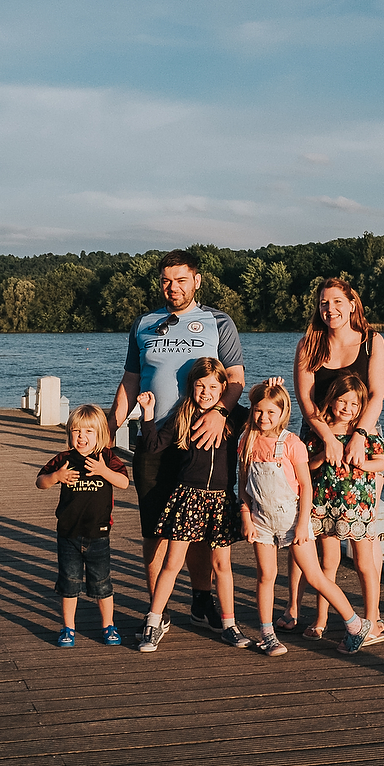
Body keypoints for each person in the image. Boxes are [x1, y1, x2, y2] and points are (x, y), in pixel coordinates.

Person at [110, 249, 244, 629]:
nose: (173, 288)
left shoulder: (219, 321)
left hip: (200, 437)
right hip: (152, 437)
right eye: (167, 281)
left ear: (197, 280)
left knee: (199, 527)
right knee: (154, 528)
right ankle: (159, 611)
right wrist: (109, 428)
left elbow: (235, 377)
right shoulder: (144, 323)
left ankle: (202, 600)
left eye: (182, 280)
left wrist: (220, 414)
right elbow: (131, 380)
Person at [282, 276, 384, 631]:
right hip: (315, 440)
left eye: (338, 302)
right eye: (324, 303)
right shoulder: (309, 344)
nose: (331, 309)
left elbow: (376, 395)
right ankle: (294, 607)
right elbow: (306, 401)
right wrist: (327, 438)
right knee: (306, 526)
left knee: (362, 535)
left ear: (352, 304)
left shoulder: (372, 342)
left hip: (362, 442)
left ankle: (371, 619)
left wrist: (358, 435)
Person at [238, 379, 374, 656]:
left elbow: (306, 485)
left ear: (282, 413)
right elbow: (242, 484)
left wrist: (303, 524)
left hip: (292, 520)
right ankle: (267, 634)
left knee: (314, 576)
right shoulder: (246, 440)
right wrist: (245, 515)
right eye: (258, 411)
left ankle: (356, 624)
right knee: (266, 576)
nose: (264, 418)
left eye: (270, 413)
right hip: (261, 520)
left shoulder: (291, 443)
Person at [135, 359, 250, 652]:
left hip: (221, 500)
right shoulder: (183, 414)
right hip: (189, 498)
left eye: (213, 386)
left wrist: (269, 391)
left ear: (224, 388)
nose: (206, 391)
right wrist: (147, 413)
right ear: (191, 386)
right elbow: (152, 444)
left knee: (222, 566)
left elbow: (266, 419)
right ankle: (153, 621)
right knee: (172, 563)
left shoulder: (234, 416)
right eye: (200, 385)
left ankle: (229, 625)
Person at [303, 373, 384, 647]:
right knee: (328, 563)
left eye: (354, 404)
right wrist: (320, 457)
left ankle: (371, 618)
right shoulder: (321, 431)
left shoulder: (366, 433)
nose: (347, 408)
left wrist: (361, 464)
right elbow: (308, 467)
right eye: (342, 402)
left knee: (364, 562)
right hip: (325, 503)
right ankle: (321, 619)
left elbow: (380, 464)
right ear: (332, 401)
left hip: (357, 504)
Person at [36, 404, 131, 648]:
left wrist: (103, 471)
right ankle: (68, 627)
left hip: (98, 534)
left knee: (102, 583)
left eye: (89, 432)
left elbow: (123, 483)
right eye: (76, 431)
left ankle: (108, 625)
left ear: (100, 434)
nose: (82, 437)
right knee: (69, 583)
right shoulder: (64, 459)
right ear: (69, 434)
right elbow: (40, 482)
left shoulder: (107, 458)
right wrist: (56, 477)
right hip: (68, 534)